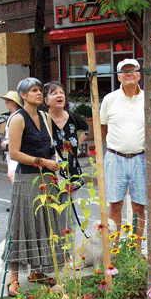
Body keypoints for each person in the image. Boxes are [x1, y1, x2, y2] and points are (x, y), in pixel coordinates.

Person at [3, 77, 66, 296]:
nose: (38, 93)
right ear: (23, 95)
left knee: (46, 224)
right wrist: (43, 162)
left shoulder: (45, 116)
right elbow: (14, 153)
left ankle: (37, 271)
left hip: (47, 179)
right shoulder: (17, 119)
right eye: (33, 90)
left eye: (40, 90)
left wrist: (57, 161)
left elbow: (50, 146)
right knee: (22, 225)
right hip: (27, 178)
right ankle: (13, 278)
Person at [100, 58, 151, 243]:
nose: (129, 73)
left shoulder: (150, 99)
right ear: (119, 77)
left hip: (141, 159)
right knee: (115, 206)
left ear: (139, 74)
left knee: (139, 207)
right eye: (125, 71)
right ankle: (115, 250)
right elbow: (103, 129)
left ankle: (136, 249)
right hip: (115, 158)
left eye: (133, 70)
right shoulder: (109, 99)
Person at [43, 81, 89, 247]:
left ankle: (68, 252)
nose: (59, 95)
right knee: (51, 214)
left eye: (61, 92)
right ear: (46, 100)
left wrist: (77, 145)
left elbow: (87, 129)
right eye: (54, 93)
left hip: (72, 172)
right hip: (50, 173)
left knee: (69, 215)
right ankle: (53, 252)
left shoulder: (73, 118)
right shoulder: (43, 120)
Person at [0, 90, 23, 184]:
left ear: (14, 102)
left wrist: (8, 143)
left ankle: (18, 194)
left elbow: (19, 134)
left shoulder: (18, 115)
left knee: (12, 174)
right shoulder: (12, 115)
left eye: (7, 101)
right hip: (10, 151)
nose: (5, 103)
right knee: (14, 174)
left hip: (15, 150)